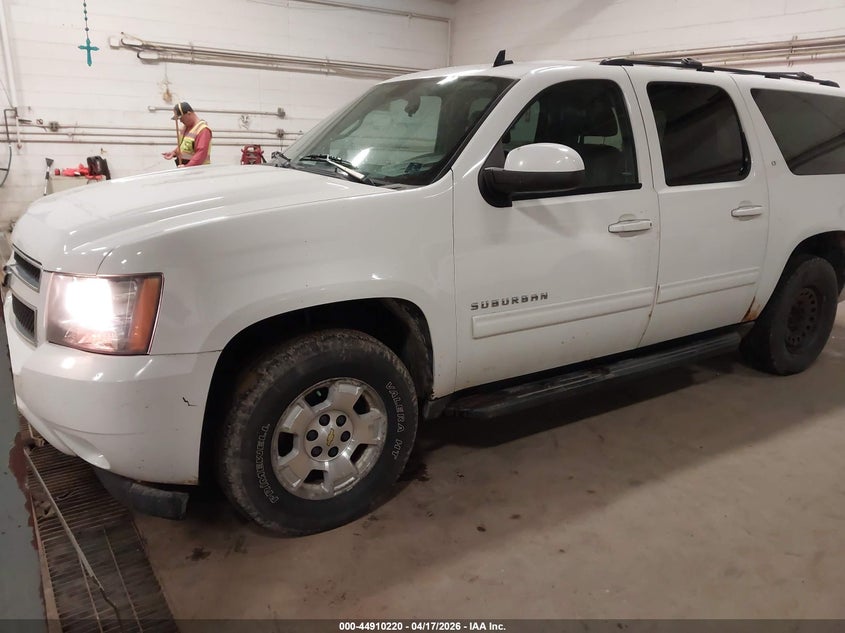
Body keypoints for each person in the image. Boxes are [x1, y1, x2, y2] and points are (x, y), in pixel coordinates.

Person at [162, 102, 212, 167]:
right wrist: (174, 153)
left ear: (189, 114)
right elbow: (184, 146)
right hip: (187, 170)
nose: (180, 121)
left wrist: (187, 167)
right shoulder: (185, 128)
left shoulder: (203, 130)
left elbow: (201, 153)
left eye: (181, 118)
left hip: (198, 171)